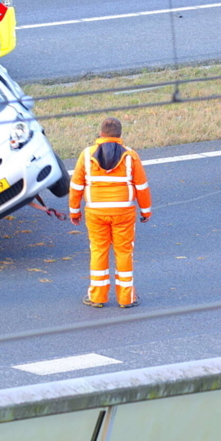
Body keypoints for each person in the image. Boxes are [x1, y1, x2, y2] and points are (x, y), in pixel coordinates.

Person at [69, 117, 152, 309]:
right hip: (123, 211)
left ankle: (97, 297)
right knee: (124, 252)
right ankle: (126, 298)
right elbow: (141, 186)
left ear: (101, 134)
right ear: (120, 135)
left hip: (95, 212)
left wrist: (74, 212)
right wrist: (145, 210)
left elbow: (76, 186)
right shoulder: (131, 155)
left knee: (98, 250)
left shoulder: (87, 154)